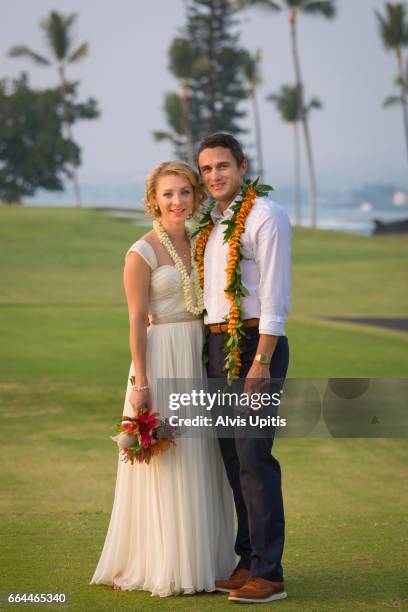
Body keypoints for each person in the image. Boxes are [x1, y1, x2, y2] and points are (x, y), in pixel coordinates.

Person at [90, 161, 236, 597]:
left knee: (203, 456)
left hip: (199, 353)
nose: (177, 201)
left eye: (185, 192)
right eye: (168, 193)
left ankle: (207, 560)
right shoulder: (142, 252)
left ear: (195, 196)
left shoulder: (203, 242)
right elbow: (136, 321)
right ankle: (165, 563)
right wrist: (142, 383)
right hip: (162, 358)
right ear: (154, 199)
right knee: (168, 459)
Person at [196, 133, 291, 604]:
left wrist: (261, 361)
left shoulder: (265, 216)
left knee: (255, 457)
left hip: (255, 343)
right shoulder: (213, 225)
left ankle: (269, 574)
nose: (214, 176)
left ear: (242, 166)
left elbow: (275, 297)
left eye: (222, 166)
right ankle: (247, 559)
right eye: (207, 168)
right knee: (233, 459)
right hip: (219, 343)